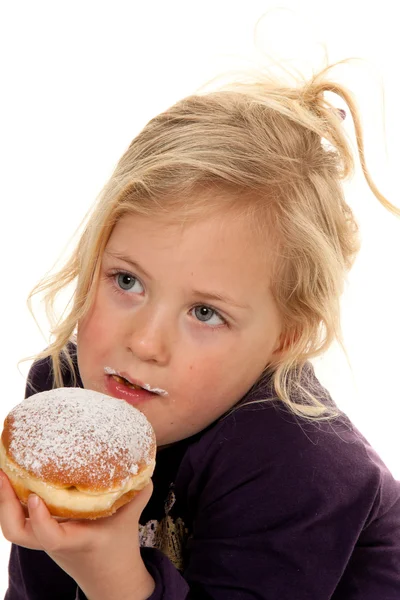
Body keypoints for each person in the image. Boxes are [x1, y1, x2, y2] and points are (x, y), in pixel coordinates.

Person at [0, 61, 399, 600]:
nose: (143, 342)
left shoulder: (302, 469)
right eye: (127, 280)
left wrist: (109, 576)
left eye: (205, 313)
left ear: (286, 339)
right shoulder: (63, 406)